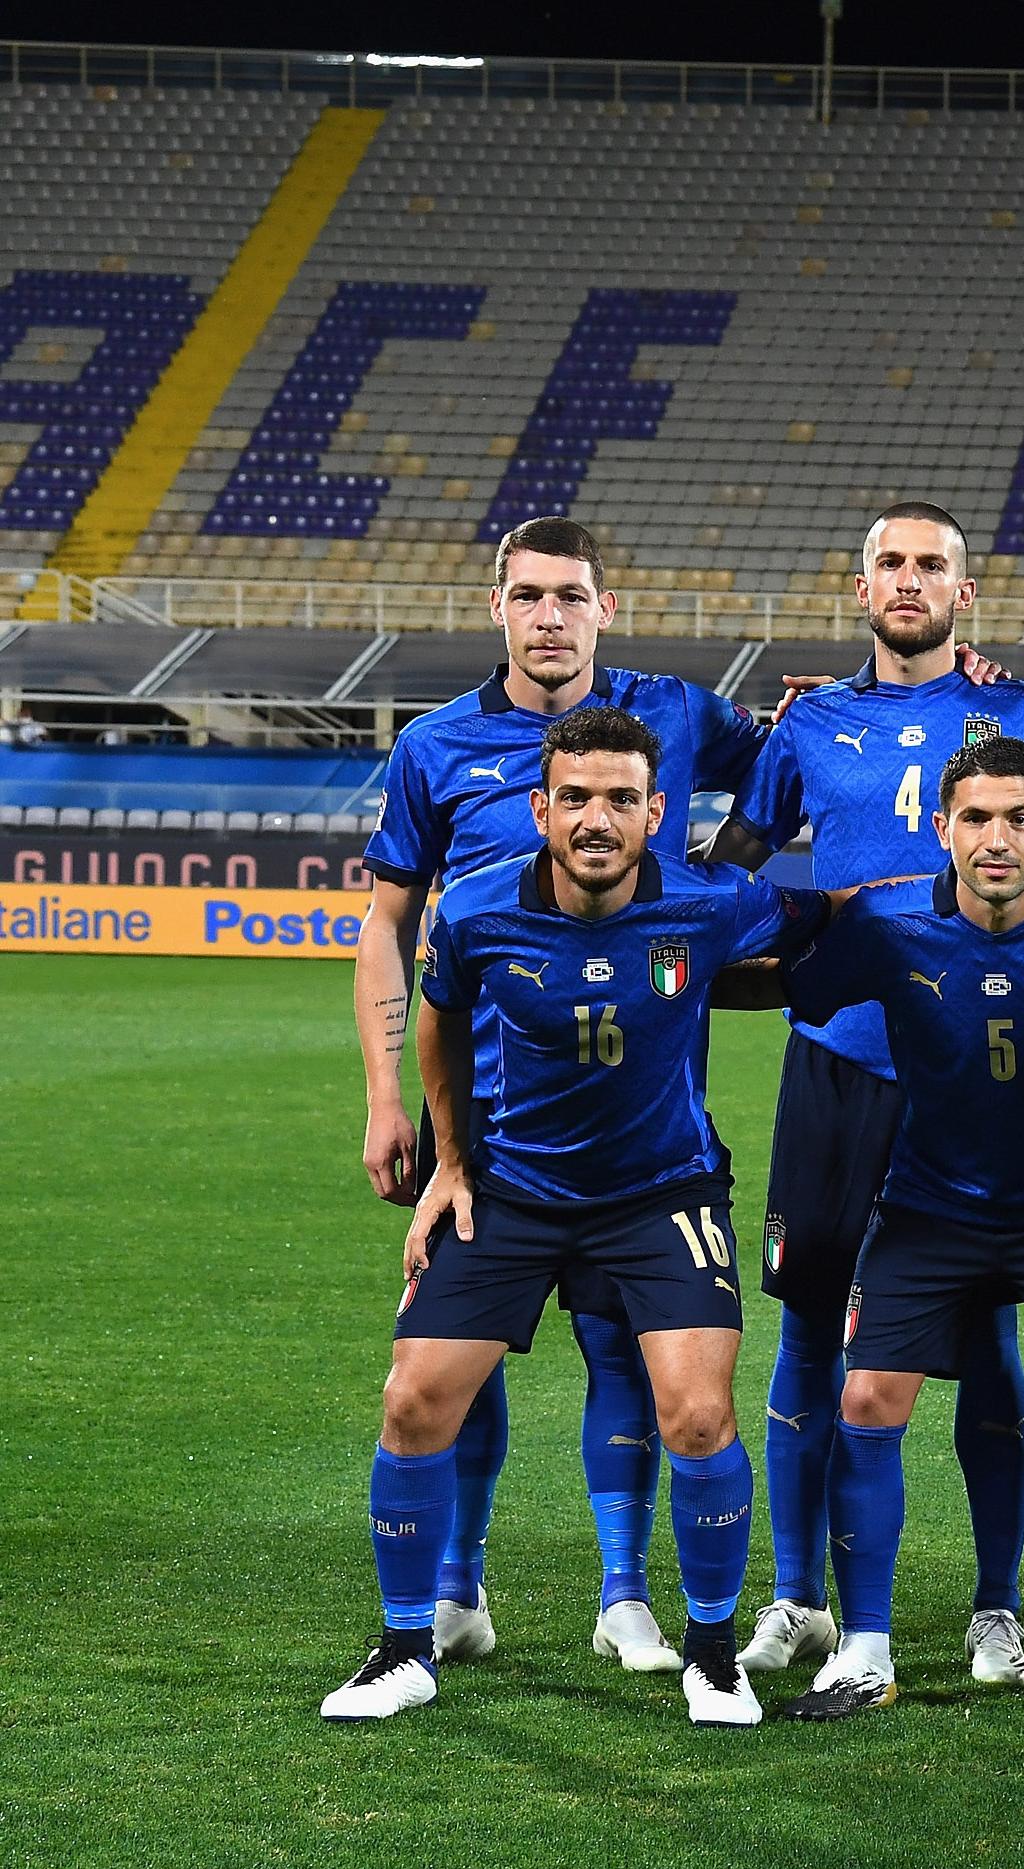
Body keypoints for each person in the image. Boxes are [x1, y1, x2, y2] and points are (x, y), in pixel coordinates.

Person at [703, 502, 1024, 1690]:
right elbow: (727, 877)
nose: (910, 582)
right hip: (842, 1065)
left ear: (968, 592)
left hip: (989, 1078)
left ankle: (995, 1610)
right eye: (890, 564)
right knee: (813, 1335)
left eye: (933, 566)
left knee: (994, 1337)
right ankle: (802, 1596)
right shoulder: (808, 724)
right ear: (859, 588)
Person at [321, 707, 833, 1727]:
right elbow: (439, 1019)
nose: (595, 818)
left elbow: (841, 918)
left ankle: (713, 1652)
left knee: (695, 1412)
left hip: (663, 1194)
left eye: (619, 799)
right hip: (514, 1189)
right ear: (539, 807)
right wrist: (452, 1163)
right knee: (414, 1396)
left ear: (656, 811)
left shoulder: (710, 901)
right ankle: (405, 1645)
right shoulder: (472, 911)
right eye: (575, 798)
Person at [722, 736, 1024, 1730]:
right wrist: (668, 975)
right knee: (864, 1396)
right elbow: (786, 984)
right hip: (927, 1207)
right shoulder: (887, 923)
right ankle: (863, 1650)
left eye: (1019, 818)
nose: (998, 839)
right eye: (977, 819)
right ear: (941, 827)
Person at [350, 514, 764, 1676]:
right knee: (457, 1346)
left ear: (604, 608)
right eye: (528, 595)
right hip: (476, 1121)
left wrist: (936, 688)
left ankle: (626, 1592)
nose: (549, 617)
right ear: (498, 608)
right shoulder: (435, 747)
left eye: (570, 596)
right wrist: (396, 1102)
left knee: (630, 1353)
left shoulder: (676, 716)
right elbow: (387, 928)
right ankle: (455, 1584)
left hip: (636, 1113)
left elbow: (798, 756)